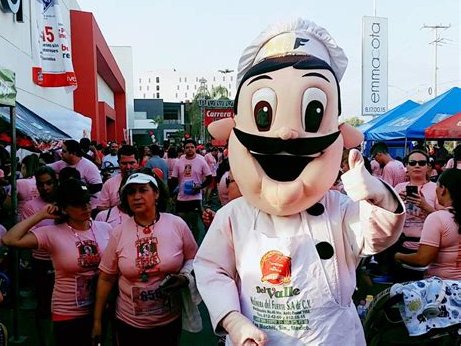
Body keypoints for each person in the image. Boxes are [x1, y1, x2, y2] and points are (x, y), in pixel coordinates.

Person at [194, 18, 405, 345]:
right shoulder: (234, 216)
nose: (286, 134)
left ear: (340, 133)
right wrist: (233, 320)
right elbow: (212, 270)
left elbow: (376, 236)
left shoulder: (339, 209)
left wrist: (378, 197)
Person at [2, 178, 112, 346]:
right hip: (68, 310)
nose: (85, 207)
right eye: (77, 203)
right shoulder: (51, 233)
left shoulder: (104, 228)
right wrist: (41, 215)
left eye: (87, 201)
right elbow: (10, 239)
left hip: (99, 307)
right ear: (64, 209)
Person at [92, 171, 198, 345]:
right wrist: (97, 321)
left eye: (143, 190)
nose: (136, 197)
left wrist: (184, 277)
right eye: (131, 192)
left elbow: (194, 259)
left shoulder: (177, 224)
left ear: (156, 193)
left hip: (168, 322)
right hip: (129, 323)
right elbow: (106, 278)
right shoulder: (118, 232)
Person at [395, 169, 461, 280]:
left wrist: (397, 256)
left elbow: (422, 259)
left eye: (438, 186)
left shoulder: (437, 218)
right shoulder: (446, 217)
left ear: (443, 189)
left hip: (441, 287)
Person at [21, 166, 58, 346]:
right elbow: (30, 236)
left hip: (64, 262)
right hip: (42, 262)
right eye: (41, 184)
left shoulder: (65, 202)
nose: (45, 188)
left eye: (49, 183)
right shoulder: (30, 207)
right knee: (44, 304)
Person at [170, 139, 212, 241]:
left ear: (195, 148)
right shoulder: (179, 163)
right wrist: (170, 195)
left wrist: (200, 186)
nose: (190, 149)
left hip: (196, 198)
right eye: (187, 147)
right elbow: (174, 180)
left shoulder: (201, 162)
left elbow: (209, 178)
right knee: (181, 225)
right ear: (184, 149)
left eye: (192, 147)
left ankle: (196, 246)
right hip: (181, 199)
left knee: (196, 226)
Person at [96, 145, 139, 211]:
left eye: (131, 163)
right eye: (124, 163)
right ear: (118, 163)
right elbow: (101, 207)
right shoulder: (109, 184)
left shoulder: (147, 182)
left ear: (138, 162)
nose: (128, 167)